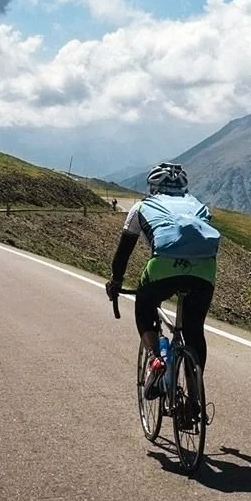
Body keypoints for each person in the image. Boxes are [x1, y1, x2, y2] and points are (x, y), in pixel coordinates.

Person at [105, 162, 219, 398]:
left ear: (153, 187)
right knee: (194, 330)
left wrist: (116, 282)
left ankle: (156, 361)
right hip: (204, 271)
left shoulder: (141, 207)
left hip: (162, 269)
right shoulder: (196, 205)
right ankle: (194, 395)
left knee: (145, 308)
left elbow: (124, 251)